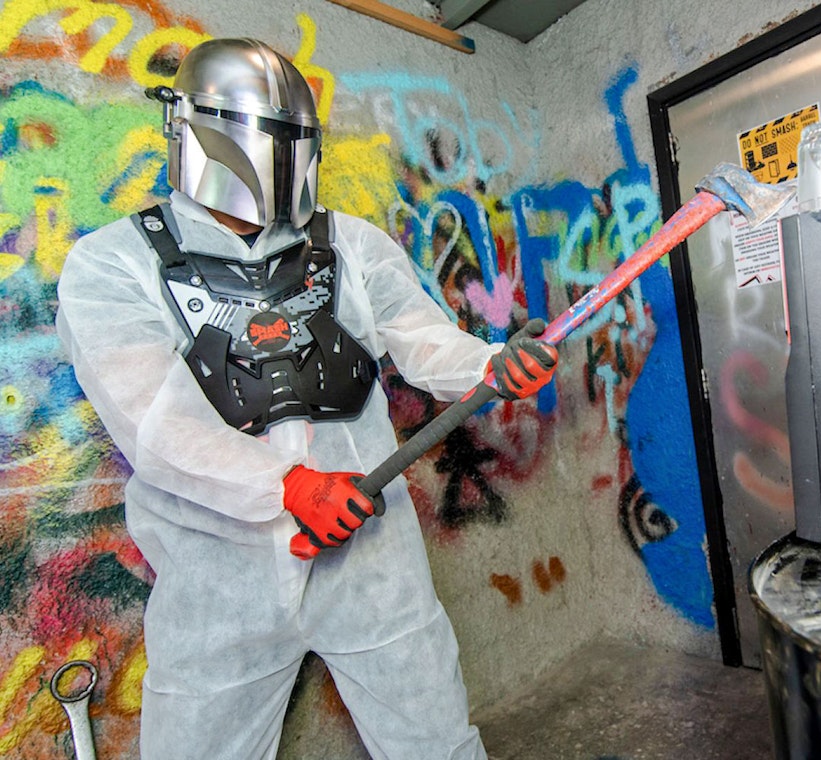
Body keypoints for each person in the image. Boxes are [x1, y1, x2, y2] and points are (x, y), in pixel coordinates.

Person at [55, 38, 558, 759]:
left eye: (296, 139)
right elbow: (151, 418)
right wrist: (285, 484)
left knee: (434, 743)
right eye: (268, 138)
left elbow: (418, 335)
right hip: (219, 580)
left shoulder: (348, 244)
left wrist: (490, 364)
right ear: (194, 130)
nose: (280, 157)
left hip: (370, 558)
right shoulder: (114, 264)